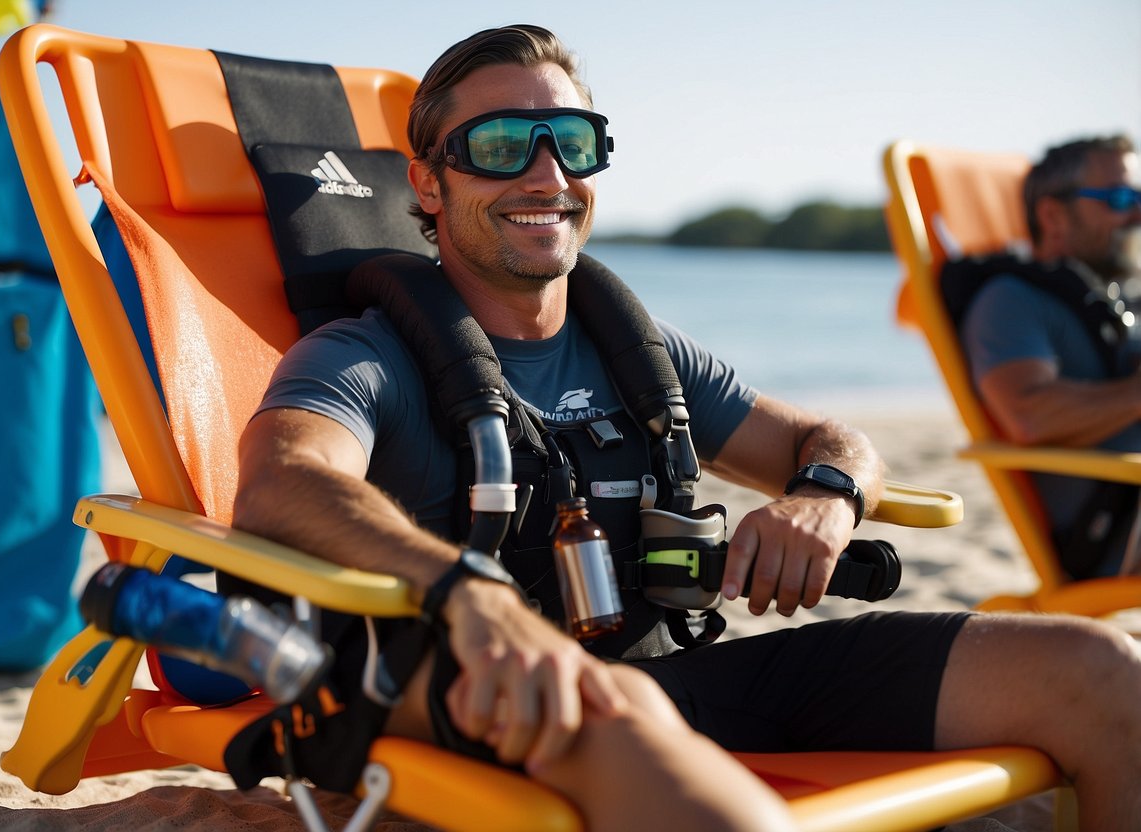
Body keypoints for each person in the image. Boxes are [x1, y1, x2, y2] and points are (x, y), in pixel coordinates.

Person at [233, 25, 1141, 831]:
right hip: (504, 694)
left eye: (571, 143)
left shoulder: (641, 354)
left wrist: (822, 501)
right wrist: (468, 594)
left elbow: (832, 440)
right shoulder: (366, 355)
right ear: (427, 185)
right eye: (500, 146)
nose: (545, 176)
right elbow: (282, 480)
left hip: (677, 676)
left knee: (1099, 668)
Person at [960, 135, 1141, 578]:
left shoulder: (1116, 299)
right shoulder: (1010, 300)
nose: (1136, 214)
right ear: (1053, 214)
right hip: (1115, 536)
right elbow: (1028, 416)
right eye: (1120, 198)